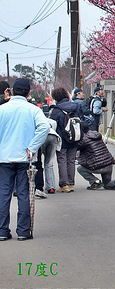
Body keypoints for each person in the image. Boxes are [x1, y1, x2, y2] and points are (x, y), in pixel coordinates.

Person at [0, 78, 49, 240]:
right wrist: (32, 147)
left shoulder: (2, 109)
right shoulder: (33, 110)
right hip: (25, 158)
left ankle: (2, 230)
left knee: (3, 194)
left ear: (12, 91)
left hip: (4, 157)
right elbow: (44, 127)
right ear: (29, 93)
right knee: (23, 194)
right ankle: (23, 231)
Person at [77, 127, 115, 191]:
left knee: (80, 169)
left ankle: (95, 181)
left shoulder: (83, 140)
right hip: (108, 164)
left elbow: (74, 148)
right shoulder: (96, 135)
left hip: (98, 166)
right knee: (107, 184)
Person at [50, 87, 83, 192]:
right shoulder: (75, 106)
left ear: (55, 97)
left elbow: (53, 124)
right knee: (71, 160)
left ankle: (64, 184)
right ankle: (71, 182)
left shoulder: (56, 109)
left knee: (62, 160)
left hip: (62, 139)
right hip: (75, 137)